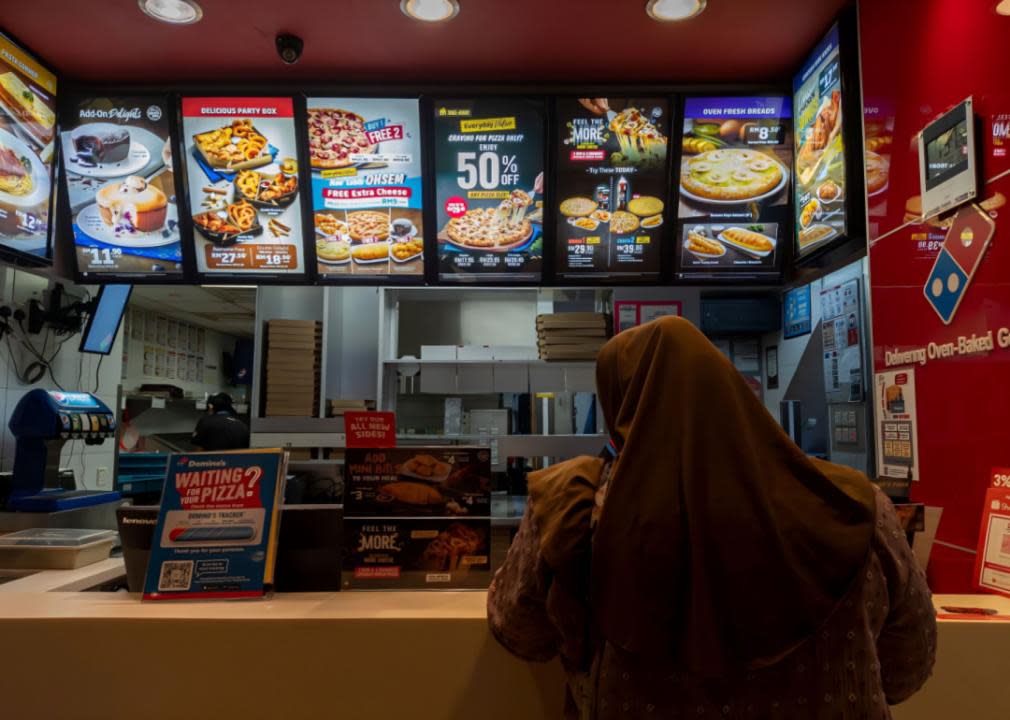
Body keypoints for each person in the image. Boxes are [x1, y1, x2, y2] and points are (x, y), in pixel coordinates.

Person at [488, 317, 936, 720]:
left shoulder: (576, 508)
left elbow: (521, 632)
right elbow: (907, 666)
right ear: (731, 388)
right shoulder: (857, 504)